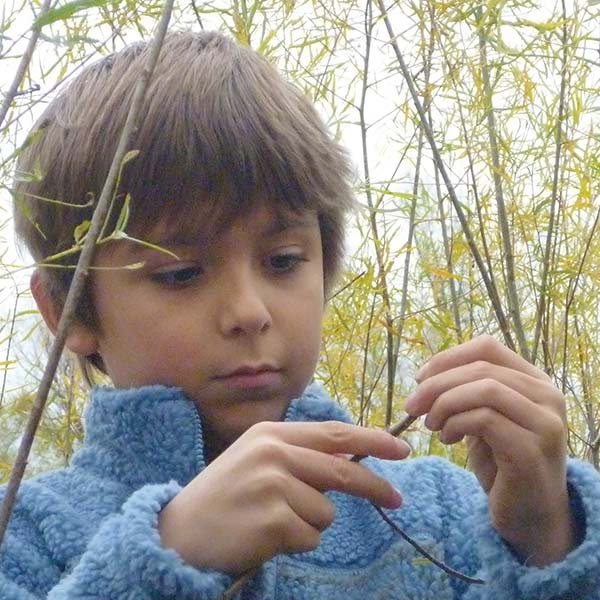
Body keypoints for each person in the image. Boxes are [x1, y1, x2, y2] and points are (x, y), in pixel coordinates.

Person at [2, 29, 599, 599]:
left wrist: (546, 537)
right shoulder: (24, 536)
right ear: (67, 311)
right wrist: (168, 560)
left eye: (283, 261)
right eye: (181, 274)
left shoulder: (431, 512)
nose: (249, 311)